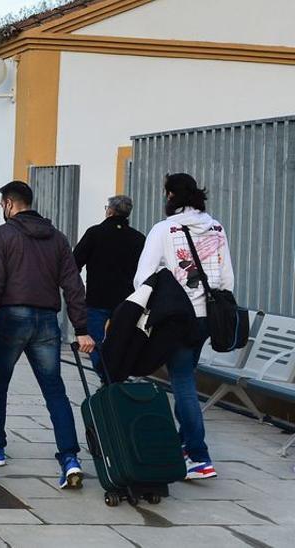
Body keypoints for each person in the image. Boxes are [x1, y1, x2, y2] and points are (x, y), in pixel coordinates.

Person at [0, 181, 93, 490]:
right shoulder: (58, 239)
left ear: (10, 204)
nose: (2, 210)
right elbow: (74, 285)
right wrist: (81, 328)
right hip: (47, 321)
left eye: (2, 205)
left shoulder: (1, 236)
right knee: (55, 391)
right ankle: (69, 458)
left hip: (12, 318)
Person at [132, 173, 233, 480]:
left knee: (183, 384)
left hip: (178, 317)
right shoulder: (216, 227)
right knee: (186, 375)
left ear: (172, 196)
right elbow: (227, 276)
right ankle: (186, 445)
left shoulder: (164, 230)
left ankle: (200, 456)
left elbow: (144, 276)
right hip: (208, 318)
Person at [72, 195, 145, 381]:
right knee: (121, 342)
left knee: (93, 342)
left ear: (110, 211)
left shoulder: (95, 233)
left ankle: (106, 374)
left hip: (97, 298)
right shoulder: (138, 238)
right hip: (128, 300)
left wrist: (76, 289)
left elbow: (74, 263)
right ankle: (113, 375)